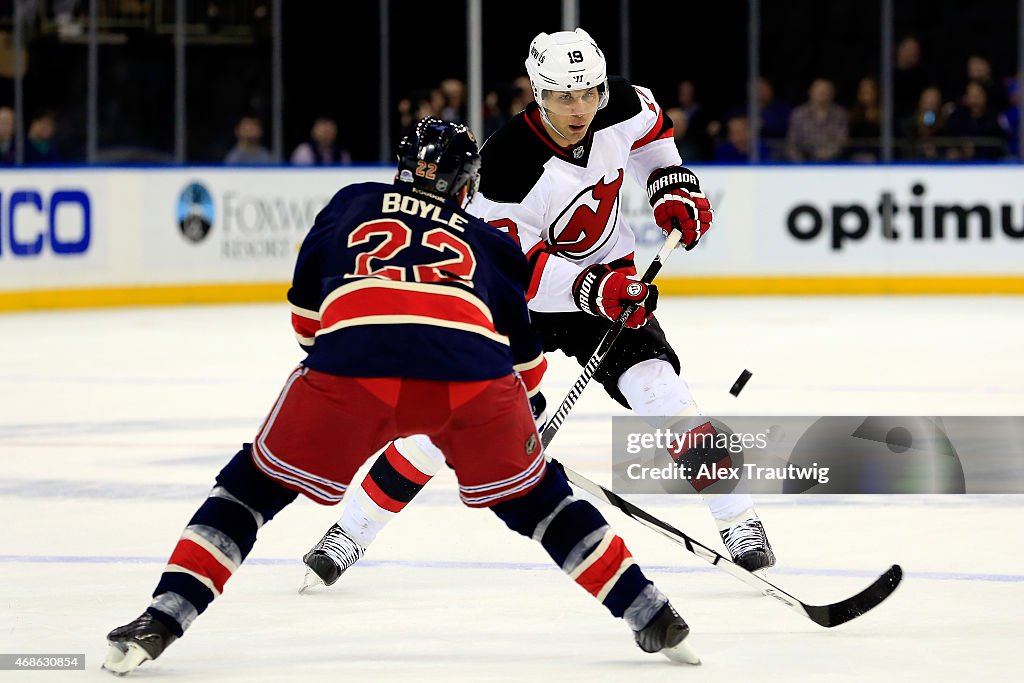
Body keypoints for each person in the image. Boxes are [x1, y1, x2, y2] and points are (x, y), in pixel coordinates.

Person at [102, 118, 700, 675]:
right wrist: (518, 422)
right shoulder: (489, 242)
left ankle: (160, 620)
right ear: (468, 187)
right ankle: (653, 615)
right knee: (543, 506)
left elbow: (308, 321)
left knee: (250, 488)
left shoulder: (350, 203)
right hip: (470, 378)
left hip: (353, 364)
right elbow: (526, 366)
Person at [301, 28, 774, 594]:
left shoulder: (620, 103)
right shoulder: (506, 166)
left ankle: (739, 521)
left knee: (661, 389)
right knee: (444, 419)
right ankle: (351, 531)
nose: (580, 109)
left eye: (589, 93)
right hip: (521, 299)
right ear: (538, 93)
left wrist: (672, 184)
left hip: (610, 282)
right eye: (564, 97)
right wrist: (593, 288)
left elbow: (653, 136)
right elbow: (515, 269)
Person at [784, 78, 848, 162]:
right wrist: (801, 164)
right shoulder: (798, 114)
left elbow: (841, 141)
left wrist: (826, 156)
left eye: (825, 91)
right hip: (804, 164)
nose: (822, 94)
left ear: (832, 94)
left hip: (832, 163)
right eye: (819, 91)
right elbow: (792, 143)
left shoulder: (840, 114)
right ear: (810, 92)